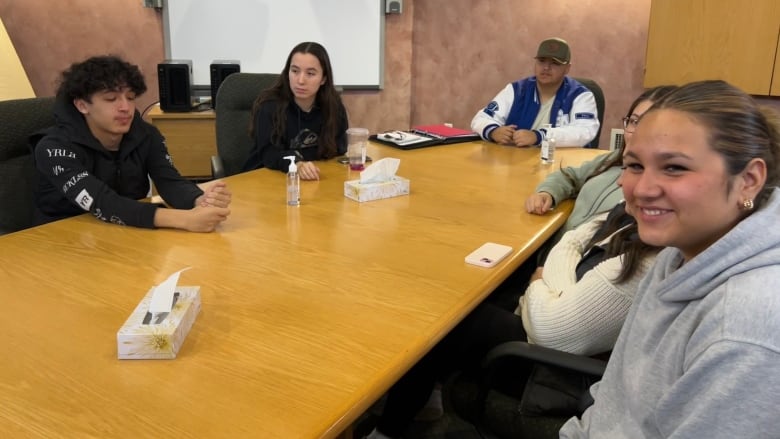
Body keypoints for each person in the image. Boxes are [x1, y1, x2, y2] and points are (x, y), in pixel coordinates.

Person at [560, 80, 780, 438]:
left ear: (749, 180)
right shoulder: (679, 254)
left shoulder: (744, 330)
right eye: (634, 165)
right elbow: (616, 399)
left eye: (674, 168)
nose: (643, 189)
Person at [364, 200, 661, 439]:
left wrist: (539, 283)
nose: (625, 183)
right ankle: (424, 395)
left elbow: (552, 331)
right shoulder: (636, 218)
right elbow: (575, 237)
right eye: (632, 166)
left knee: (443, 319)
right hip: (559, 317)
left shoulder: (645, 262)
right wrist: (553, 283)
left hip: (556, 373)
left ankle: (388, 429)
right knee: (475, 289)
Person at [32, 55, 231, 232]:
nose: (125, 107)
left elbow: (169, 182)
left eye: (130, 98)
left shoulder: (146, 135)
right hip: (62, 239)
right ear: (82, 105)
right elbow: (104, 202)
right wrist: (184, 220)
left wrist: (199, 201)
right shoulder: (54, 149)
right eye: (111, 99)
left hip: (125, 231)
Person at [526, 85, 678, 241]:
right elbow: (571, 175)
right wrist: (547, 192)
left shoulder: (651, 193)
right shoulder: (613, 159)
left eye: (648, 123)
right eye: (634, 121)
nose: (637, 131)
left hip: (580, 261)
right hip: (555, 248)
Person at [242, 41, 349, 180]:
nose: (300, 80)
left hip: (313, 179)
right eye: (295, 71)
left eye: (310, 73)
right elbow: (269, 154)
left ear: (323, 79)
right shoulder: (269, 106)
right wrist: (297, 164)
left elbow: (339, 148)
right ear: (287, 73)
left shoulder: (333, 106)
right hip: (265, 179)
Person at [470, 37, 599, 148]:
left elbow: (584, 131)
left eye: (555, 63)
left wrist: (540, 136)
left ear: (567, 68)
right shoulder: (517, 90)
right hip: (515, 163)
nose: (546, 68)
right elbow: (481, 118)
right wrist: (493, 131)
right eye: (542, 61)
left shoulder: (581, 96)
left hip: (562, 167)